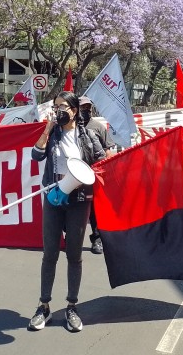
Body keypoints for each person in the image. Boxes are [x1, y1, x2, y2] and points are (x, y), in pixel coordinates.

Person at [28, 91, 105, 333]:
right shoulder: (52, 135)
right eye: (56, 106)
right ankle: (44, 306)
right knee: (49, 254)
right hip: (53, 198)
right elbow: (36, 155)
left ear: (74, 110)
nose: (59, 110)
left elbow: (103, 164)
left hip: (79, 200)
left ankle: (72, 306)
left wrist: (87, 178)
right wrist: (47, 128)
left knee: (74, 255)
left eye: (63, 106)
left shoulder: (89, 136)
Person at [78, 96, 116, 255]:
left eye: (88, 107)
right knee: (73, 206)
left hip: (94, 174)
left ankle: (97, 239)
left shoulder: (98, 127)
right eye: (82, 107)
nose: (86, 110)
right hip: (75, 174)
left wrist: (108, 173)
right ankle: (70, 237)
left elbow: (108, 152)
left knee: (95, 209)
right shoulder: (70, 126)